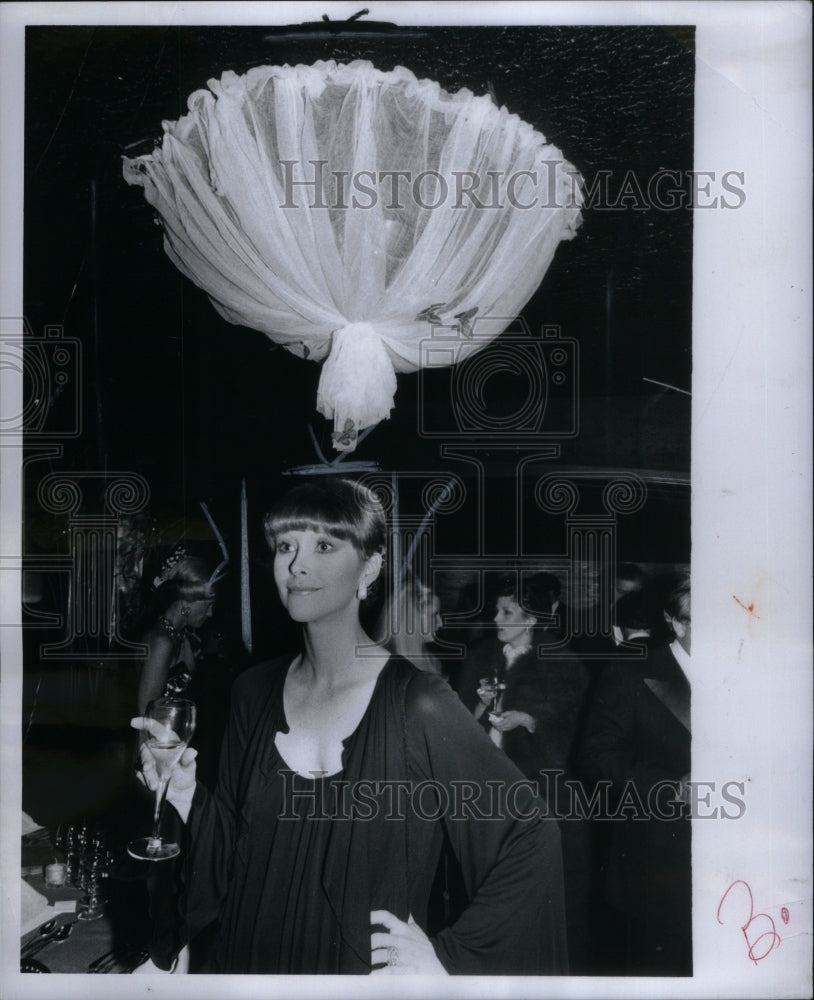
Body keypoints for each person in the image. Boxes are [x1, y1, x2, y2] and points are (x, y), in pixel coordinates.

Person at [132, 478, 567, 975]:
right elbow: (235, 849)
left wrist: (449, 958)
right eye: (285, 546)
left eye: (324, 545)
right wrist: (188, 796)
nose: (297, 564)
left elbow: (529, 834)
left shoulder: (416, 703)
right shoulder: (251, 692)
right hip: (250, 963)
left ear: (370, 567)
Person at [454, 573, 592, 973]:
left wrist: (529, 720)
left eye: (506, 611)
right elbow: (457, 725)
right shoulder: (480, 657)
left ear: (530, 619)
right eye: (497, 609)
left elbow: (579, 733)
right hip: (485, 795)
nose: (496, 618)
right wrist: (481, 708)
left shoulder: (564, 664)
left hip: (542, 795)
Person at [577, 577, 692, 975]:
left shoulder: (746, 673)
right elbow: (595, 756)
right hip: (658, 864)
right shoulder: (631, 672)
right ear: (677, 623)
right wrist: (671, 788)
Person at [136, 549, 217, 714]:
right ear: (187, 604)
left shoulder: (179, 635)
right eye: (207, 606)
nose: (210, 614)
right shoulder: (161, 642)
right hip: (158, 737)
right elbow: (145, 712)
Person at [377, 575, 444, 674]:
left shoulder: (432, 662)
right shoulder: (385, 665)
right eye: (433, 615)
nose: (440, 623)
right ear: (413, 618)